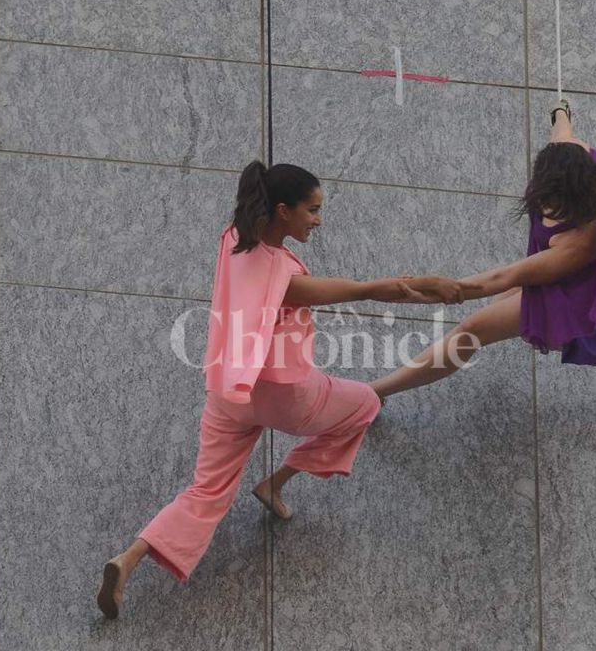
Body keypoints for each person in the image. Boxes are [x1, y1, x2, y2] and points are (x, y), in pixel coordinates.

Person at [97, 161, 479, 619]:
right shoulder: (287, 282)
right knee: (364, 404)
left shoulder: (232, 243)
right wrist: (429, 284)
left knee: (205, 491)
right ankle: (276, 482)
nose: (318, 219)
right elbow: (366, 290)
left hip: (228, 394)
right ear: (283, 210)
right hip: (287, 397)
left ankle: (128, 560)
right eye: (312, 210)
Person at [369, 99, 596, 404]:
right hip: (578, 270)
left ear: (576, 201)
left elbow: (500, 277)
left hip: (583, 283)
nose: (543, 207)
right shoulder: (572, 154)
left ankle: (374, 393)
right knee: (516, 315)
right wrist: (560, 110)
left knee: (471, 330)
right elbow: (562, 128)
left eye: (553, 204)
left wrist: (428, 292)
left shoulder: (576, 246)